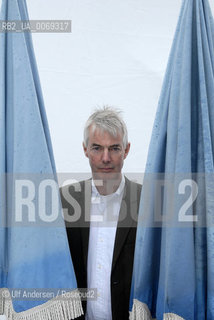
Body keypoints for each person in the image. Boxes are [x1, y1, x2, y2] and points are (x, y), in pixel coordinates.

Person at [60, 107, 142, 320]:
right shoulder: (64, 201)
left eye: (114, 148)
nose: (106, 158)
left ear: (126, 150)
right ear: (85, 149)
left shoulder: (148, 203)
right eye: (97, 148)